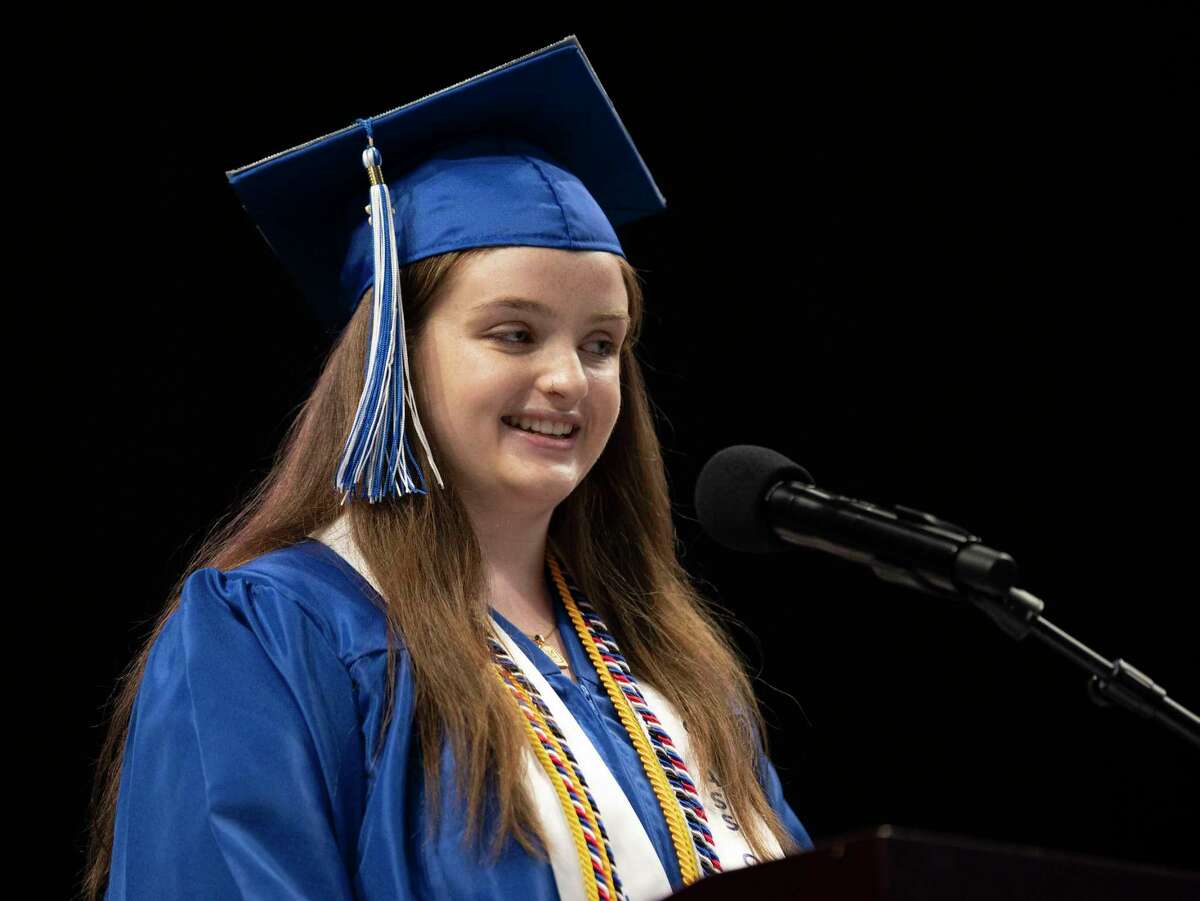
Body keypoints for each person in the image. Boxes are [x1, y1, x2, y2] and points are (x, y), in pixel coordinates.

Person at [84, 36, 813, 901]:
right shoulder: (275, 636)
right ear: (392, 355)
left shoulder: (671, 669)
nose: (567, 379)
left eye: (602, 344)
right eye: (513, 332)